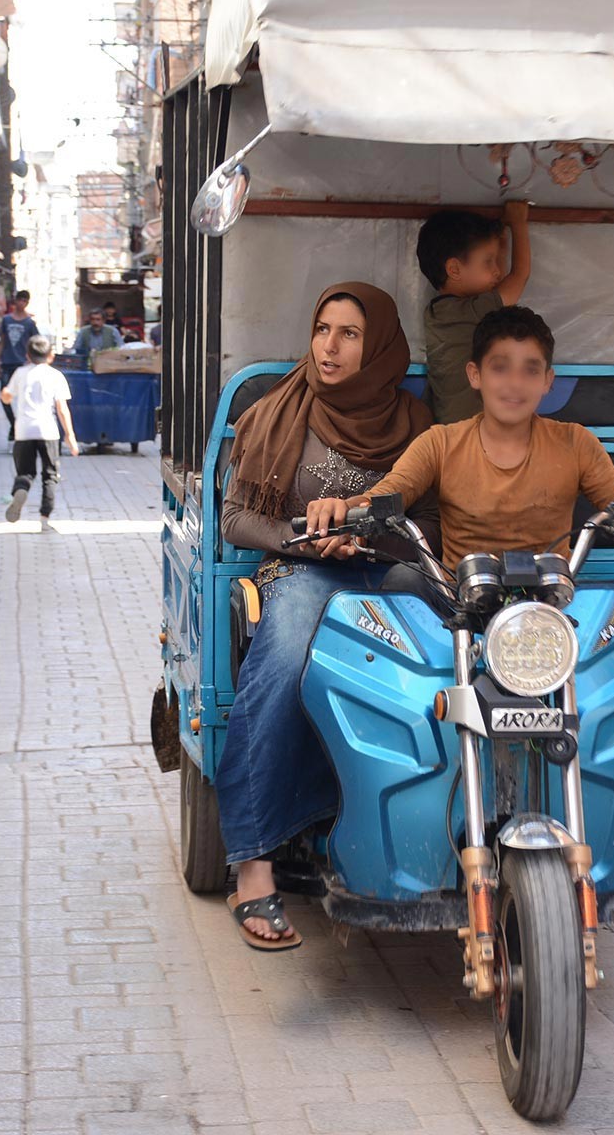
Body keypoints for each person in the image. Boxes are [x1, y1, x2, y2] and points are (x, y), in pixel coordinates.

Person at [215, 281, 435, 952]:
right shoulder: (280, 409)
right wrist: (302, 539)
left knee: (444, 661)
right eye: (322, 329)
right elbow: (235, 518)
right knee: (283, 663)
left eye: (349, 334)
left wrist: (365, 539)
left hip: (385, 570)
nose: (330, 347)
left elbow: (430, 521)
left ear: (380, 348)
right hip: (301, 569)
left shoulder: (415, 423)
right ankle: (254, 863)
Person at [308, 304, 614, 568]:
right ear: (475, 375)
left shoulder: (576, 443)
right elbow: (386, 497)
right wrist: (343, 509)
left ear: (547, 382)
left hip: (551, 608)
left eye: (530, 370)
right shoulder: (440, 443)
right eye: (500, 368)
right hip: (459, 609)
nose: (514, 384)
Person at [418, 203, 532, 424]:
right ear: (454, 270)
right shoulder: (471, 311)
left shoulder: (437, 312)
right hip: (474, 433)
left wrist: (502, 241)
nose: (498, 271)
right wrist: (518, 222)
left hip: (448, 428)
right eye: (488, 261)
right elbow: (519, 276)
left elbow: (497, 282)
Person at [0, 335, 75, 525]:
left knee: (25, 472)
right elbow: (62, 409)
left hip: (24, 431)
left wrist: (5, 395)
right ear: (51, 355)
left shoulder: (20, 372)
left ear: (27, 355)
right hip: (48, 431)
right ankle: (44, 519)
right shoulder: (55, 376)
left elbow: (7, 397)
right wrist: (70, 436)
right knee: (50, 475)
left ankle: (21, 490)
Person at [0, 291, 41, 440]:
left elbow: (36, 343)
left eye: (25, 300)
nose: (21, 303)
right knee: (4, 397)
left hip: (23, 365)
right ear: (15, 301)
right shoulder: (6, 320)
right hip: (7, 364)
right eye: (19, 300)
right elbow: (1, 342)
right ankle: (13, 423)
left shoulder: (30, 323)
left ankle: (18, 428)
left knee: (24, 398)